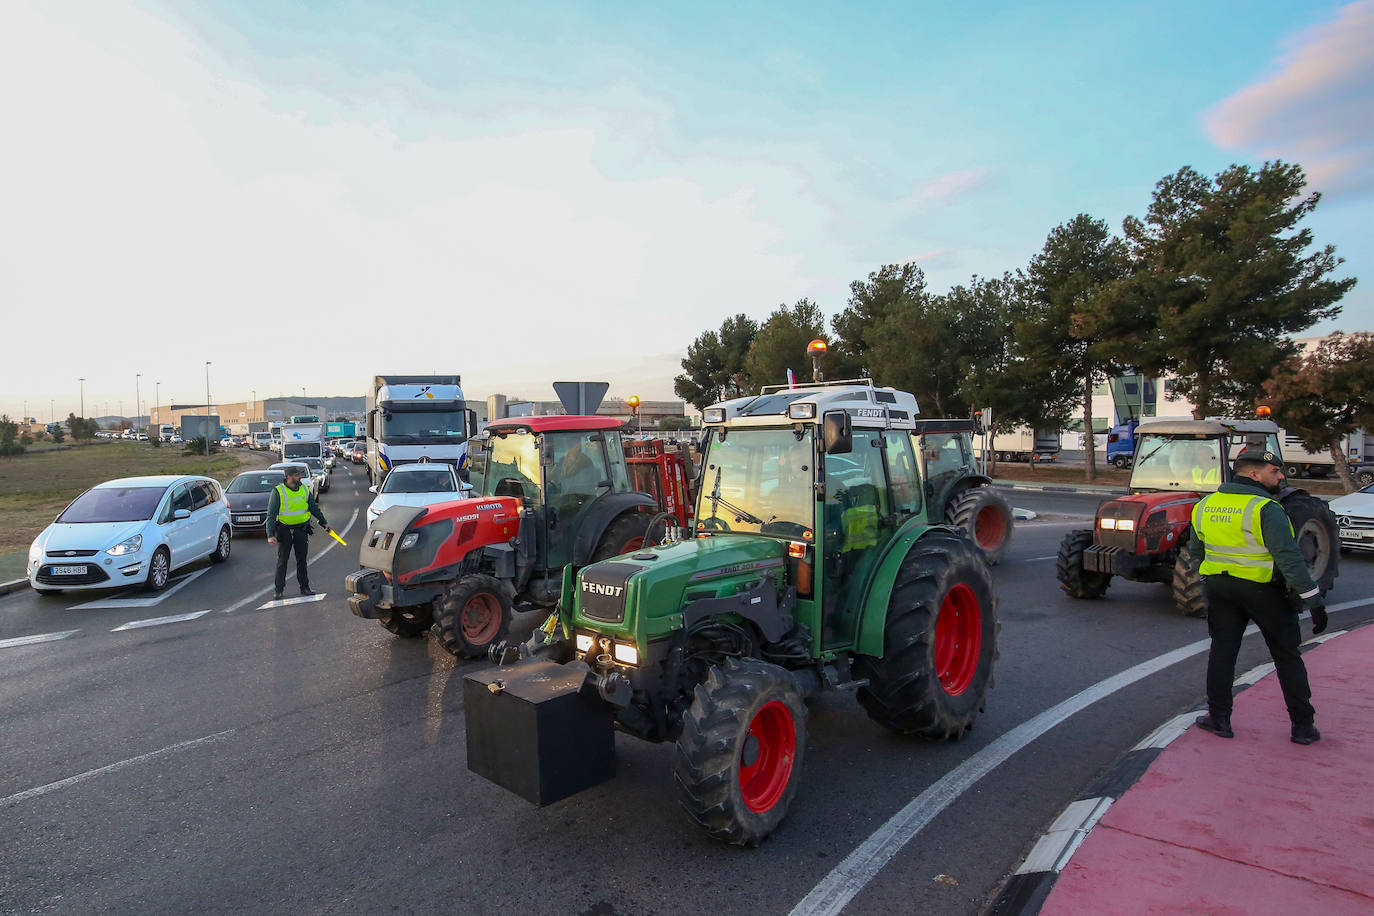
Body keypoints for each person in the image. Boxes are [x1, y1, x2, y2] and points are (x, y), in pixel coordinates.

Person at [1188, 447, 1327, 745]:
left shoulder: (1205, 505)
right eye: (1274, 472)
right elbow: (1289, 558)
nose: (1280, 476)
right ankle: (1302, 727)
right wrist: (1313, 600)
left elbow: (1197, 552)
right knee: (1287, 656)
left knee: (1223, 652)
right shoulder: (1267, 509)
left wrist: (1209, 580)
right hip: (1264, 591)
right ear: (1254, 474)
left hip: (1220, 589)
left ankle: (1219, 719)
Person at [266, 464, 332, 599]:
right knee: (282, 561)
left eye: (299, 474)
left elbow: (314, 508)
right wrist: (270, 535)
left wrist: (324, 522)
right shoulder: (278, 491)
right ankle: (279, 590)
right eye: (297, 475)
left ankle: (305, 587)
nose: (300, 477)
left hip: (301, 530)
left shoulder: (304, 489)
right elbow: (271, 515)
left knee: (302, 560)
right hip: (284, 531)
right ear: (289, 477)